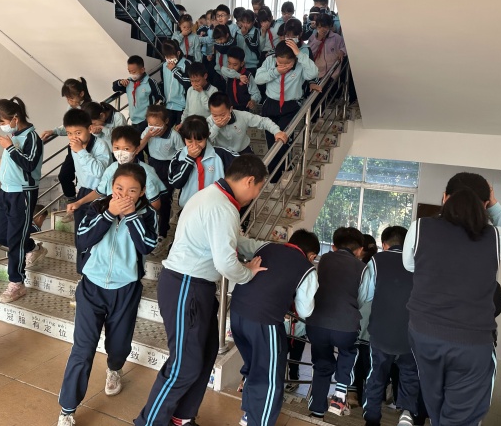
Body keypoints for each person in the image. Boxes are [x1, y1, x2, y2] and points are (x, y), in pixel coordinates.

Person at [133, 155, 268, 426]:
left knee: (205, 355)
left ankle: (181, 418)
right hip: (186, 286)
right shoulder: (221, 206)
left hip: (196, 287)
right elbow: (226, 263)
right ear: (249, 181)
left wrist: (267, 248)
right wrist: (248, 273)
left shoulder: (216, 198)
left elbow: (234, 241)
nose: (256, 195)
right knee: (184, 366)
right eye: (259, 188)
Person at [404, 173, 501, 426]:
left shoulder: (420, 228)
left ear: (444, 198)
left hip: (424, 334)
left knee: (435, 404)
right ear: (485, 204)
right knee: (460, 417)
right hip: (471, 343)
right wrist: (495, 206)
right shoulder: (495, 237)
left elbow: (410, 265)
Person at [57, 164, 158, 426]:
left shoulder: (148, 213)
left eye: (132, 190)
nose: (124, 194)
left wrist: (131, 215)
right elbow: (82, 240)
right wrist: (109, 214)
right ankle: (67, 409)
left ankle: (114, 368)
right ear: (111, 187)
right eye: (119, 188)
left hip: (126, 290)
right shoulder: (97, 207)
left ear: (142, 191)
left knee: (119, 345)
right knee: (82, 349)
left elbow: (147, 246)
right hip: (92, 287)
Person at [231, 229, 319, 426]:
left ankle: (250, 414)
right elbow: (305, 311)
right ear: (312, 255)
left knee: (254, 365)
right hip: (264, 320)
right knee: (270, 377)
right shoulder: (307, 269)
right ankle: (259, 422)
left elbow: (240, 242)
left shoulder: (265, 246)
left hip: (237, 315)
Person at [305, 227, 368, 417]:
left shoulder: (325, 259)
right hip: (345, 326)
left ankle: (317, 409)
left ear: (333, 247)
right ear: (360, 250)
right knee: (349, 352)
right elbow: (363, 297)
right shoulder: (362, 268)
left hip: (317, 323)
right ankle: (340, 394)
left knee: (322, 364)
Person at [0, 97, 46, 303]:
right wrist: (4, 160)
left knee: (15, 240)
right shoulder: (15, 134)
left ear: (15, 117)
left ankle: (17, 283)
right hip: (5, 191)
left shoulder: (32, 137)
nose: (2, 126)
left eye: (3, 122)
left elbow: (29, 164)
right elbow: (15, 159)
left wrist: (10, 148)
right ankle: (32, 247)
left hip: (23, 193)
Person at [363, 226, 420, 426]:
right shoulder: (420, 262)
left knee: (376, 376)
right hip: (411, 334)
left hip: (381, 332)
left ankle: (372, 418)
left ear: (384, 245)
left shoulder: (376, 260)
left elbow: (366, 294)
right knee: (410, 374)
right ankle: (407, 412)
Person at [255, 40, 318, 185]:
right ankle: (274, 177)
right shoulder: (270, 61)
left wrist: (299, 54)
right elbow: (258, 79)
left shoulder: (300, 63)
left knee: (283, 139)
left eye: (287, 63)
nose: (283, 65)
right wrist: (276, 71)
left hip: (290, 106)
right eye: (279, 62)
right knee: (272, 141)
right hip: (270, 105)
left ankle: (287, 168)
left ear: (294, 58)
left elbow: (313, 73)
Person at [69, 126, 166, 214]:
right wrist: (79, 202)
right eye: (117, 148)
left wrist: (137, 218)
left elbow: (155, 204)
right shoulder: (111, 168)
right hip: (115, 217)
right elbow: (99, 191)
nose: (120, 152)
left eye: (126, 149)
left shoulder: (146, 172)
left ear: (137, 150)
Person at [63, 108, 113, 274]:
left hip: (100, 195)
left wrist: (81, 151)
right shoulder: (74, 147)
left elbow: (99, 172)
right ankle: (82, 272)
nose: (74, 137)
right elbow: (80, 172)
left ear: (90, 129)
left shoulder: (101, 146)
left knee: (96, 235)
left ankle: (95, 272)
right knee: (80, 236)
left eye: (78, 133)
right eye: (69, 133)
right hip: (83, 192)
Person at [168, 115, 238, 211]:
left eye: (199, 140)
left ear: (207, 136)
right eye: (189, 141)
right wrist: (189, 159)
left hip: (215, 208)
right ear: (184, 139)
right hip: (189, 208)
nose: (195, 145)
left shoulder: (221, 155)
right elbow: (175, 183)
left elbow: (244, 164)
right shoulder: (179, 155)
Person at [41, 78, 93, 203]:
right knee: (64, 175)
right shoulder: (71, 108)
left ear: (81, 94)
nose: (69, 101)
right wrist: (54, 131)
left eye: (71, 98)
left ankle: (84, 201)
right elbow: (67, 127)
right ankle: (72, 200)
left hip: (87, 148)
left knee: (86, 177)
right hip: (73, 147)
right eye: (67, 99)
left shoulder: (90, 108)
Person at [137, 105, 185, 243]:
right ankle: (151, 224)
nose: (153, 128)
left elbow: (182, 153)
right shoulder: (148, 132)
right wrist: (147, 135)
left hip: (168, 167)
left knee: (164, 199)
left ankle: (163, 230)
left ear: (166, 121)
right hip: (152, 165)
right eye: (150, 124)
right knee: (150, 197)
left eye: (157, 125)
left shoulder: (174, 136)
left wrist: (176, 170)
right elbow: (138, 147)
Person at [285, 241, 319, 393]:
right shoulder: (286, 273)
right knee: (281, 355)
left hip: (299, 328)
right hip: (284, 326)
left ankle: (293, 378)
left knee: (295, 357)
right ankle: (280, 379)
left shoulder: (308, 275)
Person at [347, 233, 378, 406]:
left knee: (354, 354)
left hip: (359, 314)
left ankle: (352, 393)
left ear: (360, 249)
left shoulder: (359, 267)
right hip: (376, 317)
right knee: (370, 357)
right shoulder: (380, 265)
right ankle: (370, 394)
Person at [207, 92, 286, 155]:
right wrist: (216, 127)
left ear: (230, 109)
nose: (219, 118)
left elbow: (263, 121)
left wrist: (276, 131)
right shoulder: (209, 121)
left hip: (243, 151)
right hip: (222, 154)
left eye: (223, 115)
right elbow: (206, 141)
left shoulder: (242, 116)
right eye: (215, 115)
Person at [112, 55, 164, 137]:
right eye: (130, 71)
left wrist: (152, 116)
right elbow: (115, 87)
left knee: (144, 142)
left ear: (142, 70)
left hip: (146, 120)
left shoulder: (150, 82)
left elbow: (160, 98)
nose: (132, 74)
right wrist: (120, 82)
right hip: (133, 120)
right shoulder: (128, 82)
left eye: (134, 72)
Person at [220, 47, 262, 112]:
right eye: (229, 63)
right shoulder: (228, 73)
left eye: (235, 65)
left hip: (244, 109)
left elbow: (256, 93)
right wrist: (239, 76)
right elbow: (223, 69)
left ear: (242, 63)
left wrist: (253, 100)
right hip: (231, 108)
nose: (231, 67)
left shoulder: (247, 75)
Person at [161, 40, 191, 127]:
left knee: (181, 130)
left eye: (171, 57)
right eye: (167, 57)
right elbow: (164, 82)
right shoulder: (164, 65)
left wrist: (174, 70)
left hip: (182, 106)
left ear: (178, 53)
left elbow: (189, 82)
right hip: (168, 105)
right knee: (166, 129)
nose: (169, 60)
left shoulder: (186, 64)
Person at [308, 13, 347, 79]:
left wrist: (342, 51)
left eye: (325, 27)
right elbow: (310, 53)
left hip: (333, 74)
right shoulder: (312, 38)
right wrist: (318, 39)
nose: (322, 29)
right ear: (316, 27)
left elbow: (345, 46)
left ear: (329, 26)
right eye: (319, 27)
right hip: (317, 73)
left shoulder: (336, 37)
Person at [179, 62, 218, 126]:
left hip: (205, 125)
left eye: (197, 81)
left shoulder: (213, 90)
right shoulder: (190, 90)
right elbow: (187, 109)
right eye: (192, 81)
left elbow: (210, 108)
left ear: (205, 76)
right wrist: (182, 122)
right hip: (191, 124)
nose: (194, 84)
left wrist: (201, 92)